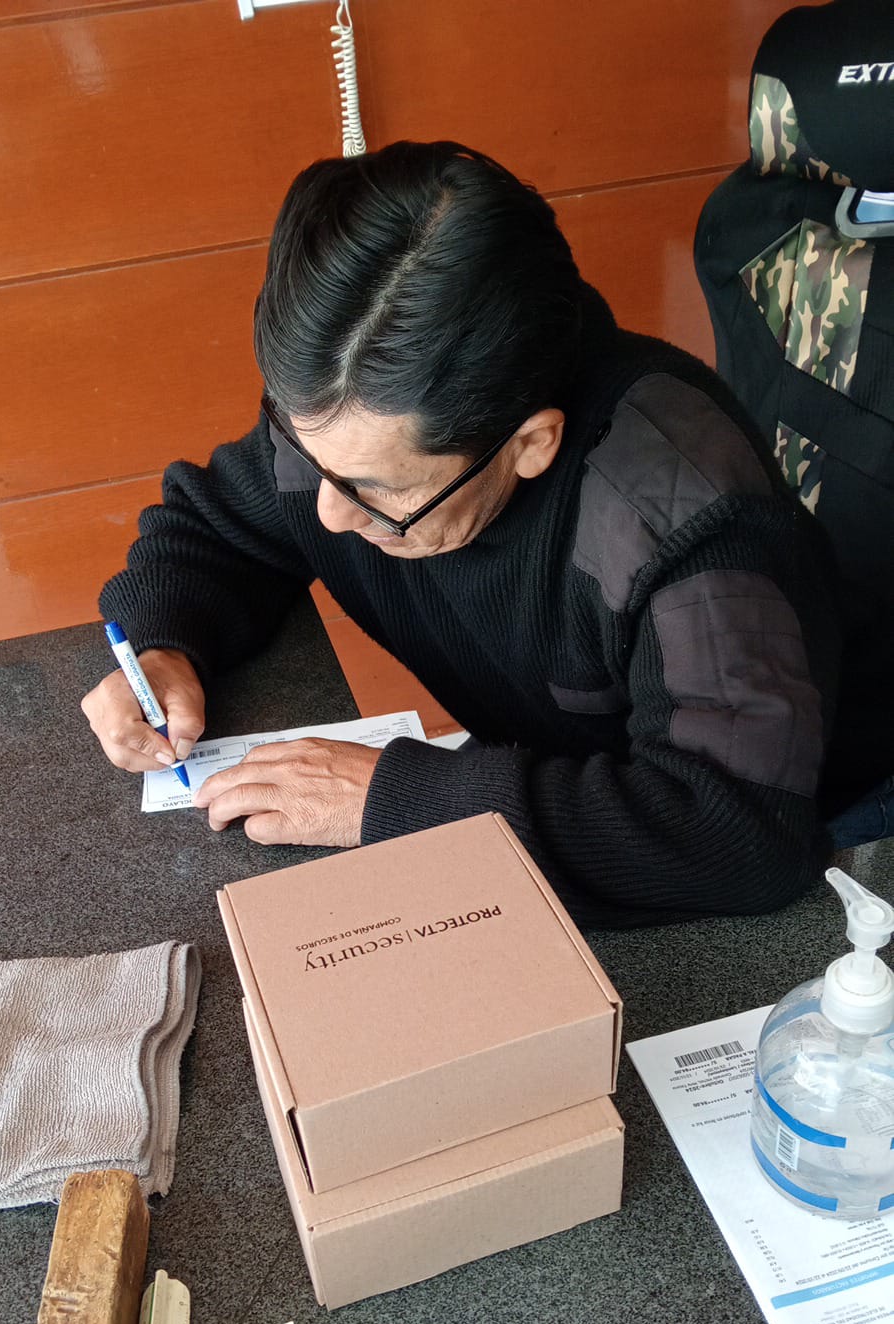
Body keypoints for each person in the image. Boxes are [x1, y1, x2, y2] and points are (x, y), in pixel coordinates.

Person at [83, 140, 848, 929]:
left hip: (801, 871)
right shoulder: (356, 422)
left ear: (531, 445)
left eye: (377, 491)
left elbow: (737, 833)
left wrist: (398, 802)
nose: (329, 513)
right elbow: (217, 526)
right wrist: (163, 646)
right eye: (312, 459)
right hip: (546, 793)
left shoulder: (683, 515)